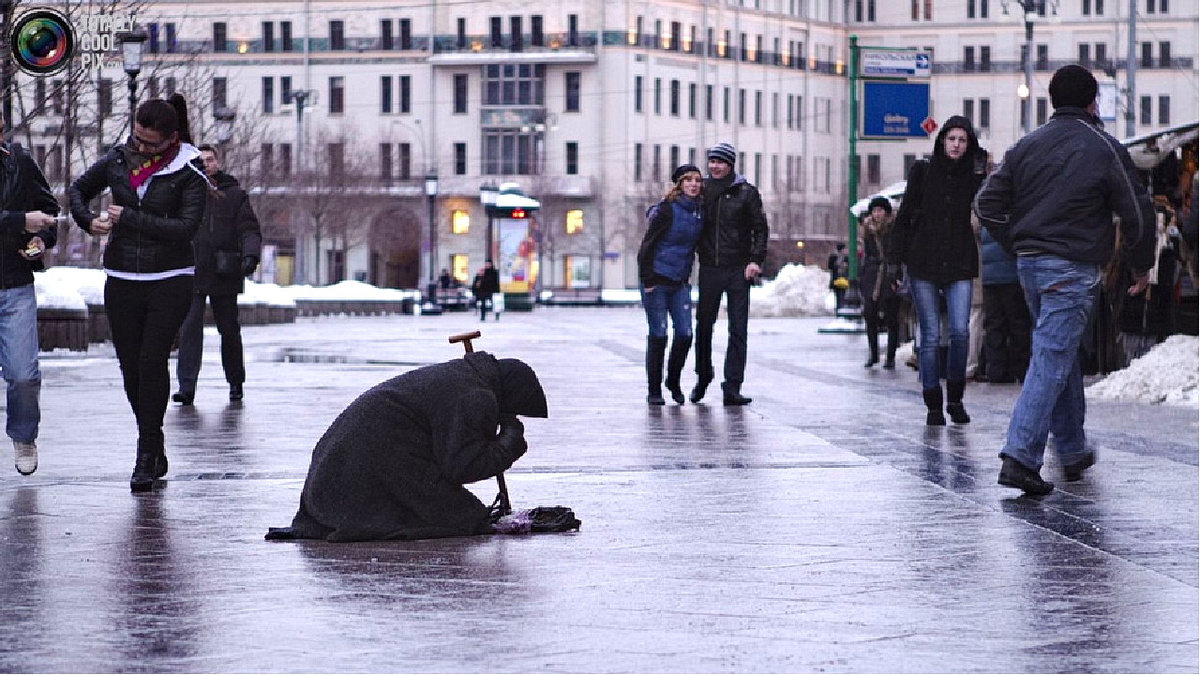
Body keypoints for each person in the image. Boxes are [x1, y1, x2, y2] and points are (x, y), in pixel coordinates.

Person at [974, 64, 1155, 495]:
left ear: (1052, 100)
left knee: (1061, 351)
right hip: (1071, 267)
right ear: (1094, 102)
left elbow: (987, 203)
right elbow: (1136, 210)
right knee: (1052, 357)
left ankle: (1071, 448)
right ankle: (1020, 455)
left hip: (1031, 267)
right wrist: (1140, 264)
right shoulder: (1103, 148)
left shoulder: (1026, 147)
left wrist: (1017, 240)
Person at [68, 94, 209, 493]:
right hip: (122, 275)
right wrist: (86, 220)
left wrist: (130, 217)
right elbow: (79, 188)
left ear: (171, 139)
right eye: (137, 139)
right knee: (130, 365)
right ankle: (153, 437)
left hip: (171, 277)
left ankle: (146, 452)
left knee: (152, 359)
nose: (140, 148)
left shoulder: (189, 171)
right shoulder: (117, 160)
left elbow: (186, 228)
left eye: (150, 143)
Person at [265, 352, 548, 542]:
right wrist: (508, 443)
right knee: (460, 516)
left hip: (330, 482)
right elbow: (461, 465)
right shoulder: (477, 395)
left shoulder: (463, 377)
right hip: (357, 476)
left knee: (463, 512)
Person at [887, 116, 987, 426]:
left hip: (958, 260)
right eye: (952, 138)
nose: (957, 145)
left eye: (963, 140)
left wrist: (981, 167)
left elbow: (989, 203)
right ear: (942, 140)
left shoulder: (973, 175)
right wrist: (894, 262)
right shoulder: (923, 170)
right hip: (924, 260)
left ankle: (955, 397)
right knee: (929, 335)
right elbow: (904, 217)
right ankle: (933, 401)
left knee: (959, 331)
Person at [172, 144, 262, 406]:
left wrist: (250, 255)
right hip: (192, 271)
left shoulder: (234, 195)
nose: (206, 164)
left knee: (229, 330)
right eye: (201, 161)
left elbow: (249, 229)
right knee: (189, 330)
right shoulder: (184, 193)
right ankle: (186, 387)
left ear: (218, 162)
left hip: (225, 271)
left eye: (210, 160)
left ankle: (236, 382)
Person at [0, 113, 59, 476]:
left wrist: (40, 239)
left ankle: (24, 435)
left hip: (15, 284)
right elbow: (25, 216)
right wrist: (20, 221)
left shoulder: (19, 162)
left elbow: (49, 212)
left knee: (23, 375)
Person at [690, 142, 769, 406]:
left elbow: (760, 228)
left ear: (730, 165)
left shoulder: (746, 192)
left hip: (738, 269)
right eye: (711, 161)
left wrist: (755, 260)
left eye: (720, 162)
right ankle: (703, 376)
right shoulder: (701, 190)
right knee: (703, 327)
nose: (715, 166)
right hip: (710, 268)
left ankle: (732, 386)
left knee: (738, 329)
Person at [637, 163, 703, 405]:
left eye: (697, 180)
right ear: (679, 184)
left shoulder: (700, 211)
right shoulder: (667, 210)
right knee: (659, 334)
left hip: (679, 283)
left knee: (685, 334)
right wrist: (648, 280)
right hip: (656, 279)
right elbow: (647, 246)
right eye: (688, 180)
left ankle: (672, 381)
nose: (694, 184)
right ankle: (654, 390)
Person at [978, 226, 1031, 383]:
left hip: (989, 276)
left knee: (994, 325)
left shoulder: (988, 218)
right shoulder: (1008, 217)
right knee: (1018, 324)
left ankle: (996, 370)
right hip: (1010, 274)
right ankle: (1021, 368)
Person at [859, 197, 901, 369]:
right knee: (870, 315)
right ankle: (873, 354)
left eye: (880, 211)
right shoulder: (867, 230)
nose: (877, 214)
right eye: (874, 211)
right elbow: (867, 255)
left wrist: (896, 275)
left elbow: (897, 252)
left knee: (892, 317)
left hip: (889, 274)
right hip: (872, 275)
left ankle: (890, 356)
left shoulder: (893, 229)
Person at [828, 243, 849, 311]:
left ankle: (840, 308)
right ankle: (840, 309)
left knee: (840, 295)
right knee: (840, 295)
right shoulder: (836, 257)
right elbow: (830, 267)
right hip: (839, 279)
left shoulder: (845, 257)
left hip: (838, 279)